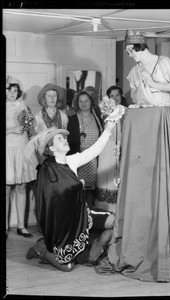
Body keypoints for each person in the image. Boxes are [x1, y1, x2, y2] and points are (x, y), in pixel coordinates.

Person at [95, 30, 170, 282]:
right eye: (128, 52)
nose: (130, 56)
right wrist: (137, 93)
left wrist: (153, 83)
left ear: (138, 47)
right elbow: (136, 95)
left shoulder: (163, 62)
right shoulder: (134, 71)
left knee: (160, 175)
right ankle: (132, 242)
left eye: (131, 51)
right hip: (141, 117)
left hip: (159, 117)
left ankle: (161, 245)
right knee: (138, 179)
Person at [24, 121, 116, 272]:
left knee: (115, 222)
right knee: (67, 267)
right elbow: (55, 192)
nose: (64, 140)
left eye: (64, 138)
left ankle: (93, 252)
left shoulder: (72, 160)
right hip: (64, 224)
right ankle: (42, 248)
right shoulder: (46, 169)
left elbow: (94, 150)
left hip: (81, 213)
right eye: (59, 139)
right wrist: (78, 184)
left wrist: (108, 129)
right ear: (52, 148)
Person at [6, 75, 37, 238]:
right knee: (6, 188)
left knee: (21, 187)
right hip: (8, 150)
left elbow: (29, 127)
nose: (12, 93)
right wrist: (10, 130)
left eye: (15, 90)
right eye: (9, 90)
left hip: (21, 148)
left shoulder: (23, 106)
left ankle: (21, 226)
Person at [66, 90, 104, 207]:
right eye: (80, 101)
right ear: (77, 103)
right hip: (80, 161)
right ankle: (81, 220)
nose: (83, 103)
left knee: (92, 192)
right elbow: (70, 142)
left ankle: (91, 218)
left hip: (95, 161)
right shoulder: (73, 119)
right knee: (80, 191)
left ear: (91, 102)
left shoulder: (98, 118)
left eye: (86, 101)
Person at [95, 86, 127, 213]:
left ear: (121, 96)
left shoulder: (127, 111)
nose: (115, 98)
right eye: (112, 96)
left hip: (122, 147)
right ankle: (106, 213)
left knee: (119, 178)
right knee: (106, 179)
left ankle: (120, 214)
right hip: (107, 149)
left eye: (117, 95)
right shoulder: (104, 112)